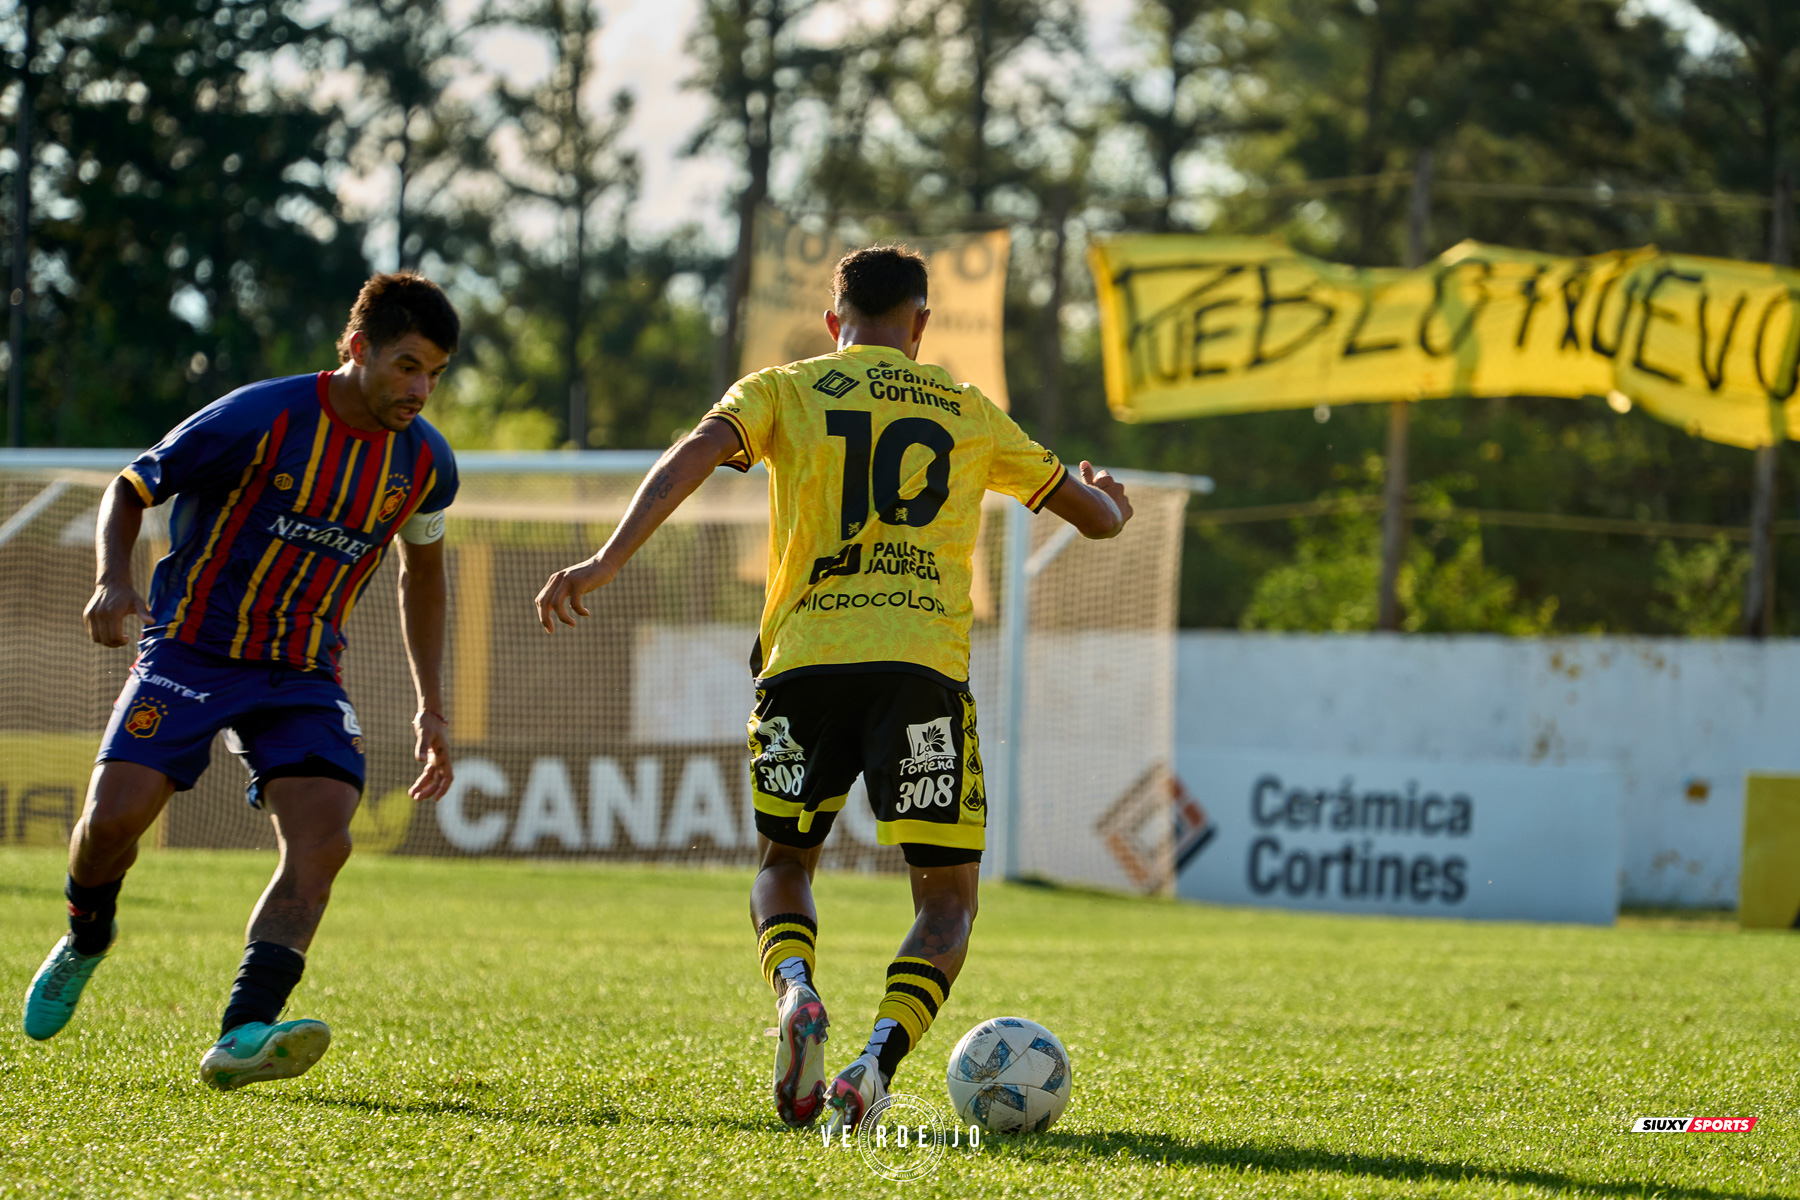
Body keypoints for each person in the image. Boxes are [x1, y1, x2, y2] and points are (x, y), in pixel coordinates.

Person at [534, 245, 1131, 1130]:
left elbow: (694, 452)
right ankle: (873, 1065)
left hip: (802, 667)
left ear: (832, 320)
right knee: (947, 900)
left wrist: (606, 558)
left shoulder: (785, 388)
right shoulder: (967, 410)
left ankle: (797, 992)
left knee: (783, 865)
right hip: (920, 675)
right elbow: (1095, 521)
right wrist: (1107, 496)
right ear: (921, 326)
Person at [21, 273, 462, 1091]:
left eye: (434, 373)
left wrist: (432, 705)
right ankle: (88, 934)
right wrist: (113, 580)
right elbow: (132, 486)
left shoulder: (427, 465)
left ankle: (241, 1033)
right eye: (407, 366)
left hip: (300, 671)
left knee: (326, 837)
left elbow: (423, 575)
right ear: (358, 348)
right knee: (112, 824)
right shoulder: (262, 417)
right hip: (189, 651)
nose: (421, 389)